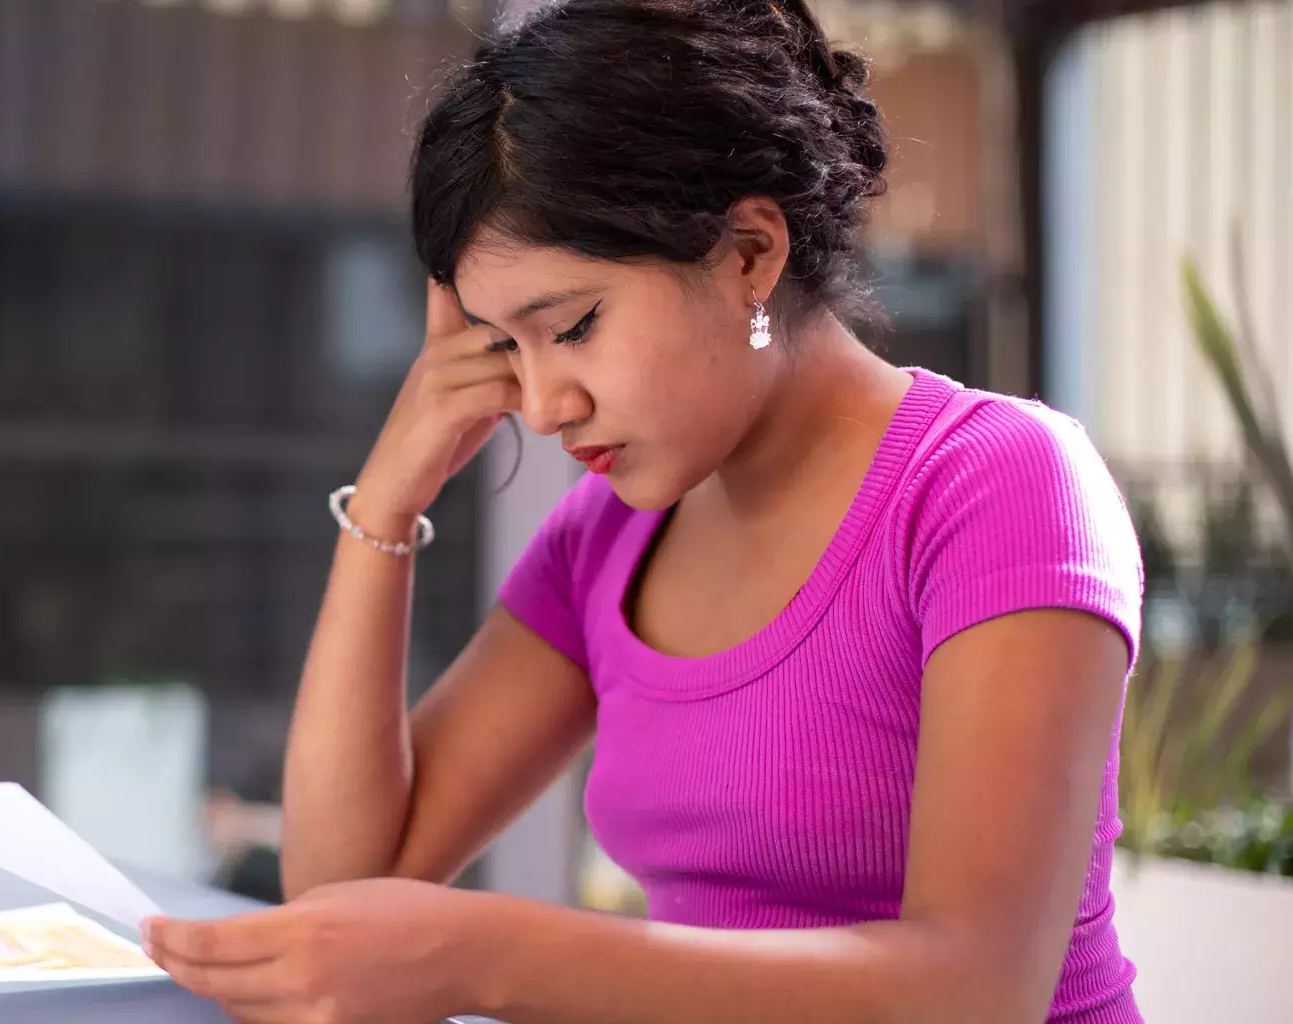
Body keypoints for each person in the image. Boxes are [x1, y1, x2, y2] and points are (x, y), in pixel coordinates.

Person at [142, 0, 1144, 1019]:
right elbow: (343, 884)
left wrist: (490, 953)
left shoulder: (996, 484)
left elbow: (976, 989)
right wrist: (388, 504)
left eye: (571, 326)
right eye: (503, 347)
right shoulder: (610, 540)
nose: (539, 407)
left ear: (749, 252)